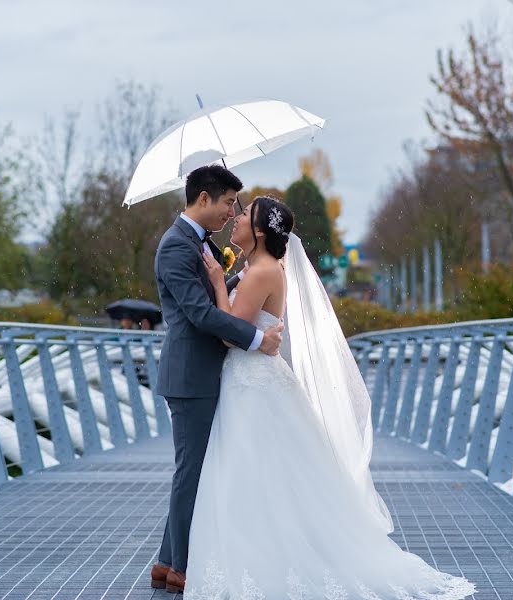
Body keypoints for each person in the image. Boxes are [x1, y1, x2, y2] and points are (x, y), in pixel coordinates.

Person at [179, 196, 476, 599]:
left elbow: (230, 331)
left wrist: (217, 282)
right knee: (266, 477)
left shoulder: (263, 270)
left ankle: (265, 567)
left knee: (252, 475)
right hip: (253, 379)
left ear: (261, 230)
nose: (235, 219)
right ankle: (264, 561)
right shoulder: (262, 267)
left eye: (244, 215)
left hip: (253, 385)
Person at [150, 166, 284, 593]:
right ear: (203, 199)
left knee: (197, 469)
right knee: (192, 471)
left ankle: (167, 561)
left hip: (203, 371)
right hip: (191, 374)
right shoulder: (176, 246)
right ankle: (181, 569)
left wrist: (230, 279)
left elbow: (211, 299)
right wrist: (257, 337)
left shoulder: (197, 243)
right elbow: (200, 314)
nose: (232, 212)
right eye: (228, 202)